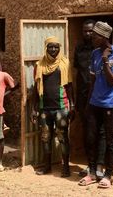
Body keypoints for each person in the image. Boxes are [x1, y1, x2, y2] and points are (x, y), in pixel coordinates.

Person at [78, 21, 113, 189]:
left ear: (104, 37)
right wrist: (88, 103)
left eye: (96, 36)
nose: (92, 38)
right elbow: (92, 80)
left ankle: (108, 174)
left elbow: (112, 81)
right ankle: (92, 172)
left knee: (110, 140)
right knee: (91, 138)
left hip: (109, 104)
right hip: (94, 103)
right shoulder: (94, 53)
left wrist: (105, 60)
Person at [31, 36, 75, 177]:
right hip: (45, 107)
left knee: (63, 137)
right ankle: (47, 166)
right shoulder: (39, 65)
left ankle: (66, 167)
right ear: (46, 48)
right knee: (45, 137)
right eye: (51, 47)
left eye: (56, 47)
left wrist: (72, 105)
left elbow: (69, 86)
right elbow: (36, 89)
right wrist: (33, 108)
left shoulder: (65, 63)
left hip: (61, 106)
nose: (54, 49)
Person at [74, 19, 106, 178]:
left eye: (91, 31)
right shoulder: (79, 48)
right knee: (88, 131)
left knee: (100, 130)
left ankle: (100, 165)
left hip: (99, 95)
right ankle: (90, 165)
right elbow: (77, 73)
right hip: (83, 95)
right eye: (85, 31)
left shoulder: (101, 50)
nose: (88, 34)